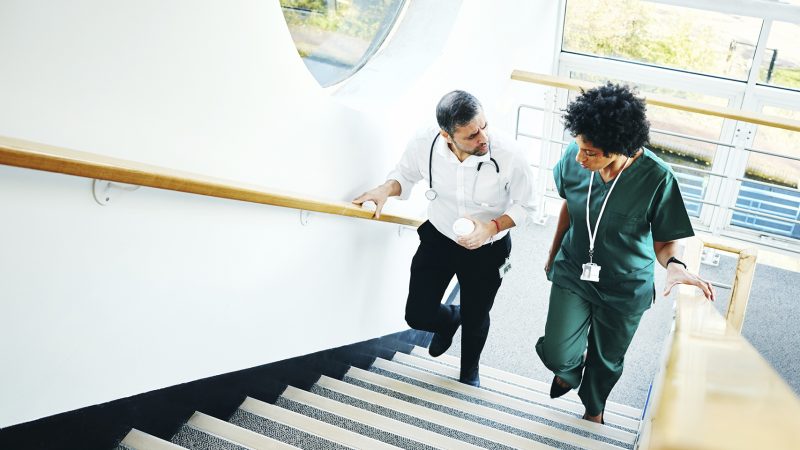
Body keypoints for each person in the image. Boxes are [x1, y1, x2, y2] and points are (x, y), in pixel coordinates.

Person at [537, 83, 715, 424]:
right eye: (579, 147)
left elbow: (665, 241)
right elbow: (570, 206)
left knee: (607, 360)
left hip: (625, 285)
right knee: (558, 352)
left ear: (620, 148)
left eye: (590, 152)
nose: (579, 158)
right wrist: (553, 249)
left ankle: (594, 409)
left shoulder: (657, 178)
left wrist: (674, 265)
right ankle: (570, 370)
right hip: (574, 269)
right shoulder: (576, 159)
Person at [353, 90, 534, 387]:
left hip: (488, 247)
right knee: (417, 314)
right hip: (439, 237)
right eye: (472, 135)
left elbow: (527, 206)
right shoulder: (425, 143)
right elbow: (405, 175)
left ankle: (469, 371)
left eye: (484, 126)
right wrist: (385, 189)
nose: (483, 138)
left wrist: (491, 228)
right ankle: (450, 319)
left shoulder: (510, 154)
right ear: (447, 135)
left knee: (476, 316)